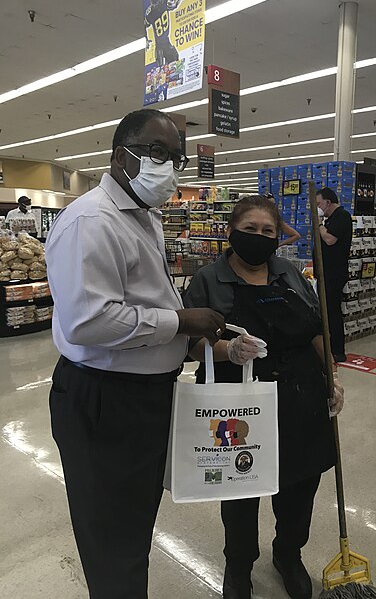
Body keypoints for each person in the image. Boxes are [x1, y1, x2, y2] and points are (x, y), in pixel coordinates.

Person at [45, 108, 226, 599]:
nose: (167, 166)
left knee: (132, 523)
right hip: (105, 402)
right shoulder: (90, 222)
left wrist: (198, 342)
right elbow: (90, 321)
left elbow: (144, 304)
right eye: (157, 152)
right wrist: (182, 321)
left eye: (176, 158)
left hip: (144, 398)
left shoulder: (144, 217)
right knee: (111, 537)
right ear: (120, 153)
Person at [183, 195, 344, 599]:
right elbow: (189, 345)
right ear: (231, 232)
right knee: (240, 490)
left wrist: (333, 377)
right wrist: (228, 351)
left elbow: (315, 329)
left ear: (277, 237)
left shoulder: (289, 272)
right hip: (236, 403)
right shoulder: (208, 279)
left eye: (267, 231)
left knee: (300, 485)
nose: (259, 237)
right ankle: (238, 566)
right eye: (250, 229)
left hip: (298, 397)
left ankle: (288, 554)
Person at [316, 187, 353, 363]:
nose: (318, 207)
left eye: (319, 204)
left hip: (334, 273)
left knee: (332, 311)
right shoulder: (331, 219)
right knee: (326, 310)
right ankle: (328, 347)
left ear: (328, 202)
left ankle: (338, 350)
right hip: (325, 273)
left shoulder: (342, 216)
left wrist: (319, 225)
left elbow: (330, 240)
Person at [145, 0, 181, 66]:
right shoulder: (150, 13)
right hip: (160, 47)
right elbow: (144, 25)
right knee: (161, 73)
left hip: (167, 44)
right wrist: (146, 39)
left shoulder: (163, 2)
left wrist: (177, 2)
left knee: (176, 68)